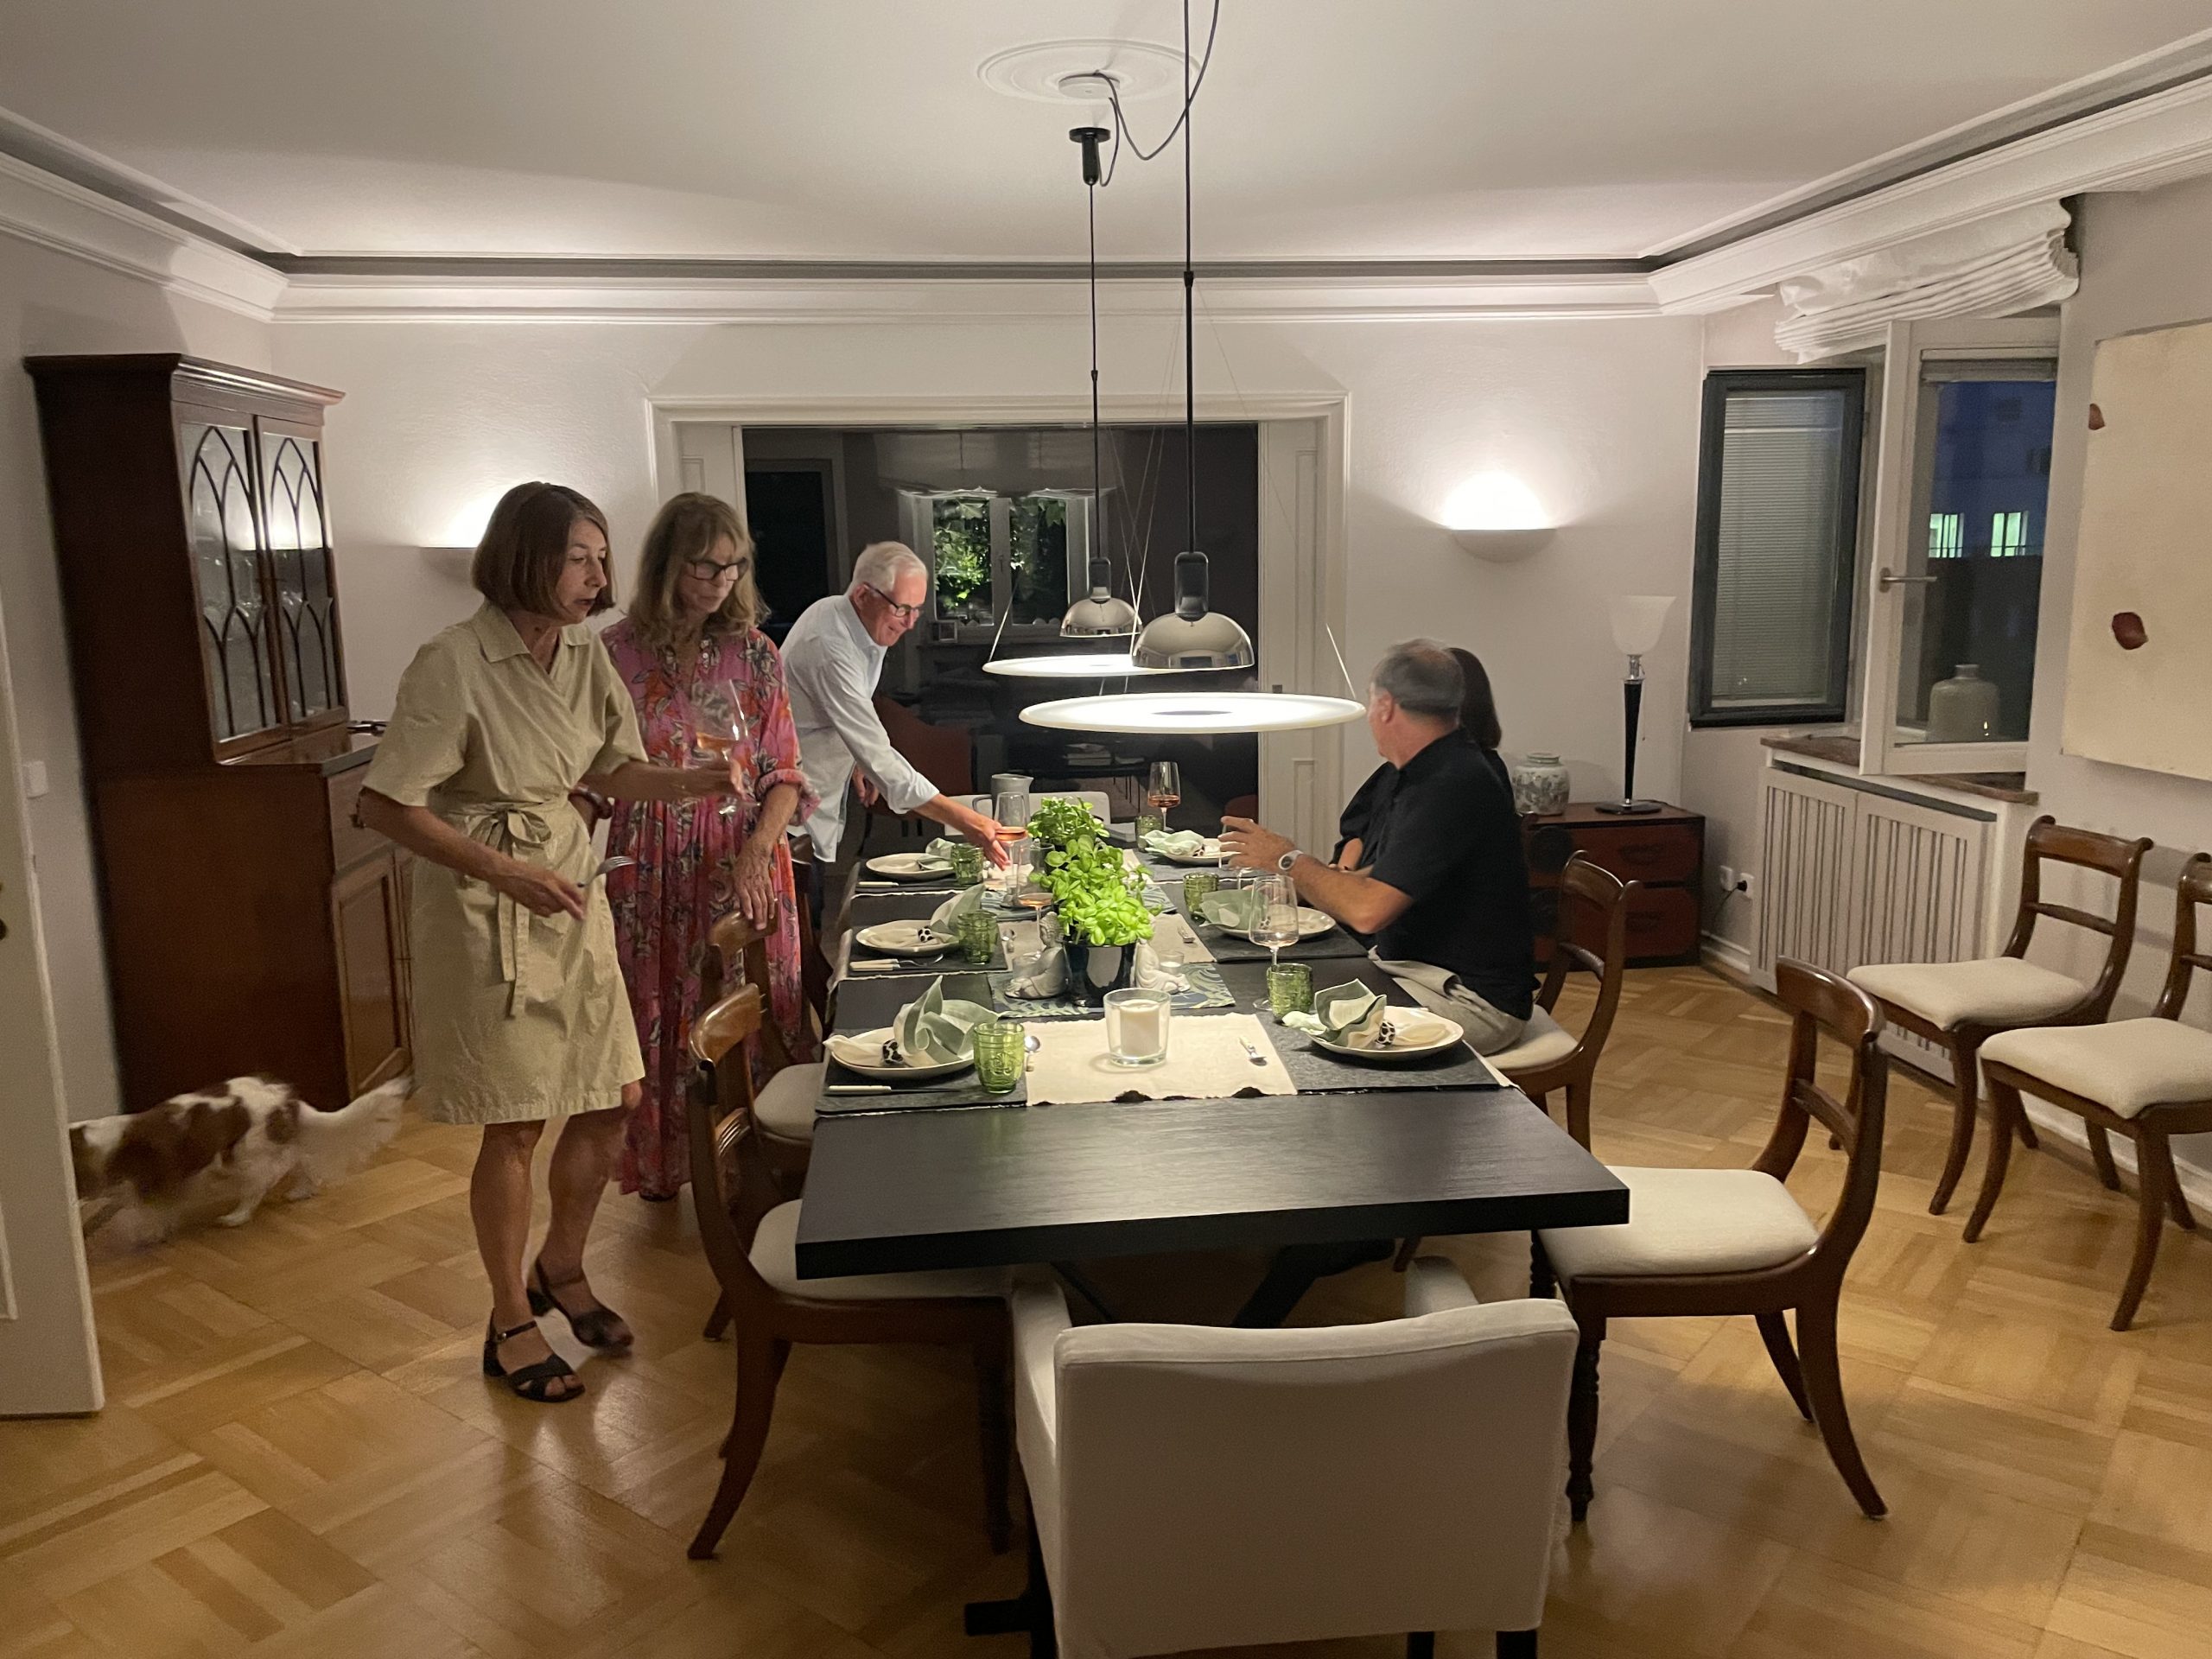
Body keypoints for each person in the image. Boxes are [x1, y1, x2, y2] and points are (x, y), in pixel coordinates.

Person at [358, 481, 744, 1404]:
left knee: (615, 1097)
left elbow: (612, 768)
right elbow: (384, 804)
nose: (599, 578)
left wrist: (694, 783)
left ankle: (560, 1266)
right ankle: (508, 1321)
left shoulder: (579, 653)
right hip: (486, 909)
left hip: (569, 894)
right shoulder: (453, 662)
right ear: (527, 557)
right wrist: (506, 872)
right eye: (580, 558)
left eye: (602, 559)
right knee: (518, 1119)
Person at [1219, 639, 1536, 1327]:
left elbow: (1366, 910)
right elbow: (1370, 880)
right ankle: (1341, 1213)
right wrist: (1299, 879)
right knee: (1277, 1004)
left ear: (1386, 705)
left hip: (1467, 996)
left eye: (1370, 702)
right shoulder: (1428, 770)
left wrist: (1288, 860)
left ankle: (1327, 1230)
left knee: (1298, 1041)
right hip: (1411, 968)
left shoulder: (1455, 782)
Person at [587, 493, 817, 1202]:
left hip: (742, 858)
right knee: (656, 1020)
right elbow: (595, 771)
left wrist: (756, 853)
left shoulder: (755, 655)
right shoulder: (613, 654)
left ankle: (759, 1167)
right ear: (667, 564)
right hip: (650, 867)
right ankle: (666, 1163)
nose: (722, 581)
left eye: (734, 566)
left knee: (753, 1012)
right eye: (705, 566)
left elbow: (785, 775)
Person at [779, 542, 1007, 907]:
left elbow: (850, 714)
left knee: (814, 911)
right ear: (863, 595)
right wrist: (965, 820)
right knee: (802, 920)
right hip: (785, 808)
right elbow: (879, 755)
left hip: (812, 798)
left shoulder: (858, 621)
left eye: (917, 609)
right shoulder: (828, 644)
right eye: (901, 608)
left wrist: (858, 759)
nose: (910, 622)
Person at [1335, 645, 1507, 868]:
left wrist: (1303, 866)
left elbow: (1409, 868)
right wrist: (1343, 872)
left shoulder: (1468, 776)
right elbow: (1357, 830)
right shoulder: (1396, 770)